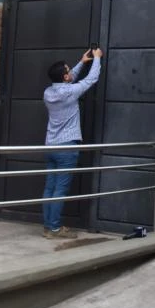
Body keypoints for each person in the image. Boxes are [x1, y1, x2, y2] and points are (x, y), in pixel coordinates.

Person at [41, 47, 103, 239]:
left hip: (51, 145)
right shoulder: (69, 92)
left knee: (50, 187)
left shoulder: (48, 92)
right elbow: (90, 80)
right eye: (68, 70)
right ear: (65, 77)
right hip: (67, 147)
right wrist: (97, 59)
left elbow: (69, 79)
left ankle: (48, 226)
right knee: (60, 189)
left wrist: (81, 62)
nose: (70, 72)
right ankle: (55, 228)